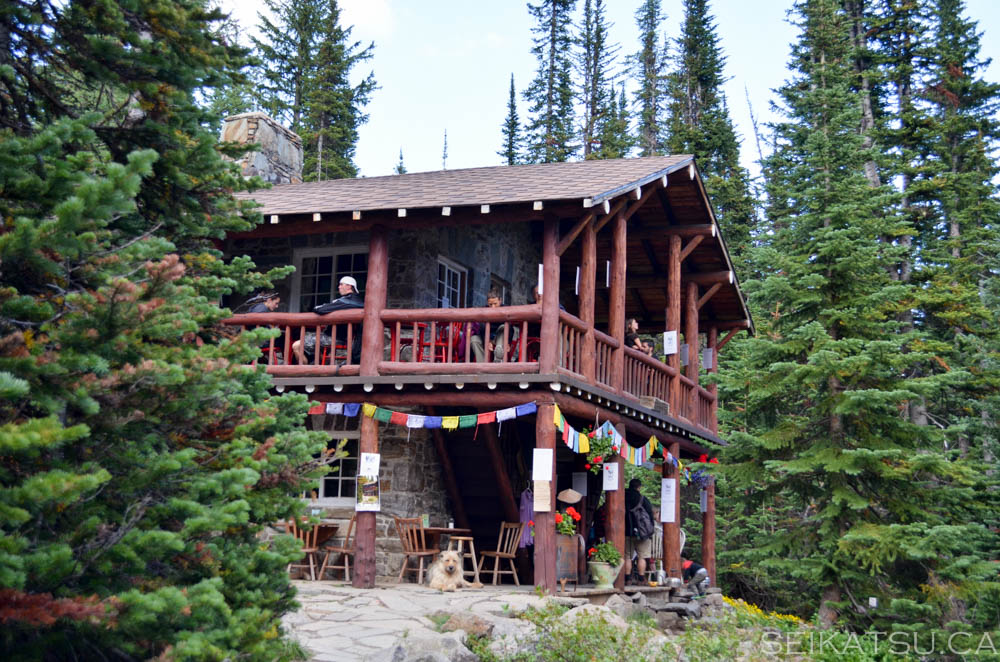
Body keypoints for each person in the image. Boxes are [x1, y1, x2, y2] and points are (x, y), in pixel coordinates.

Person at [293, 276, 364, 364]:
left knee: (296, 345)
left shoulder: (345, 301)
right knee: (313, 345)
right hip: (346, 339)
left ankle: (304, 371)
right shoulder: (359, 302)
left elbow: (319, 309)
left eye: (341, 284)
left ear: (349, 286)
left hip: (334, 338)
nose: (339, 287)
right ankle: (319, 366)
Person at [624, 478, 655, 584]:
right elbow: (650, 515)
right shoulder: (643, 499)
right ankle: (641, 579)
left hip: (626, 531)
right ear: (639, 487)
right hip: (642, 532)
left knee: (627, 556)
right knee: (642, 556)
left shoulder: (622, 497)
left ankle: (627, 578)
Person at [469, 289, 510, 362]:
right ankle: (482, 365)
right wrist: (487, 341)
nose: (493, 307)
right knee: (474, 339)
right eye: (490, 304)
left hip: (500, 339)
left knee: (503, 327)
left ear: (500, 301)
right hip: (486, 338)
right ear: (487, 303)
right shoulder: (483, 311)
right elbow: (481, 329)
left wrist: (508, 342)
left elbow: (511, 328)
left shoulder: (506, 310)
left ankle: (497, 359)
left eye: (495, 303)